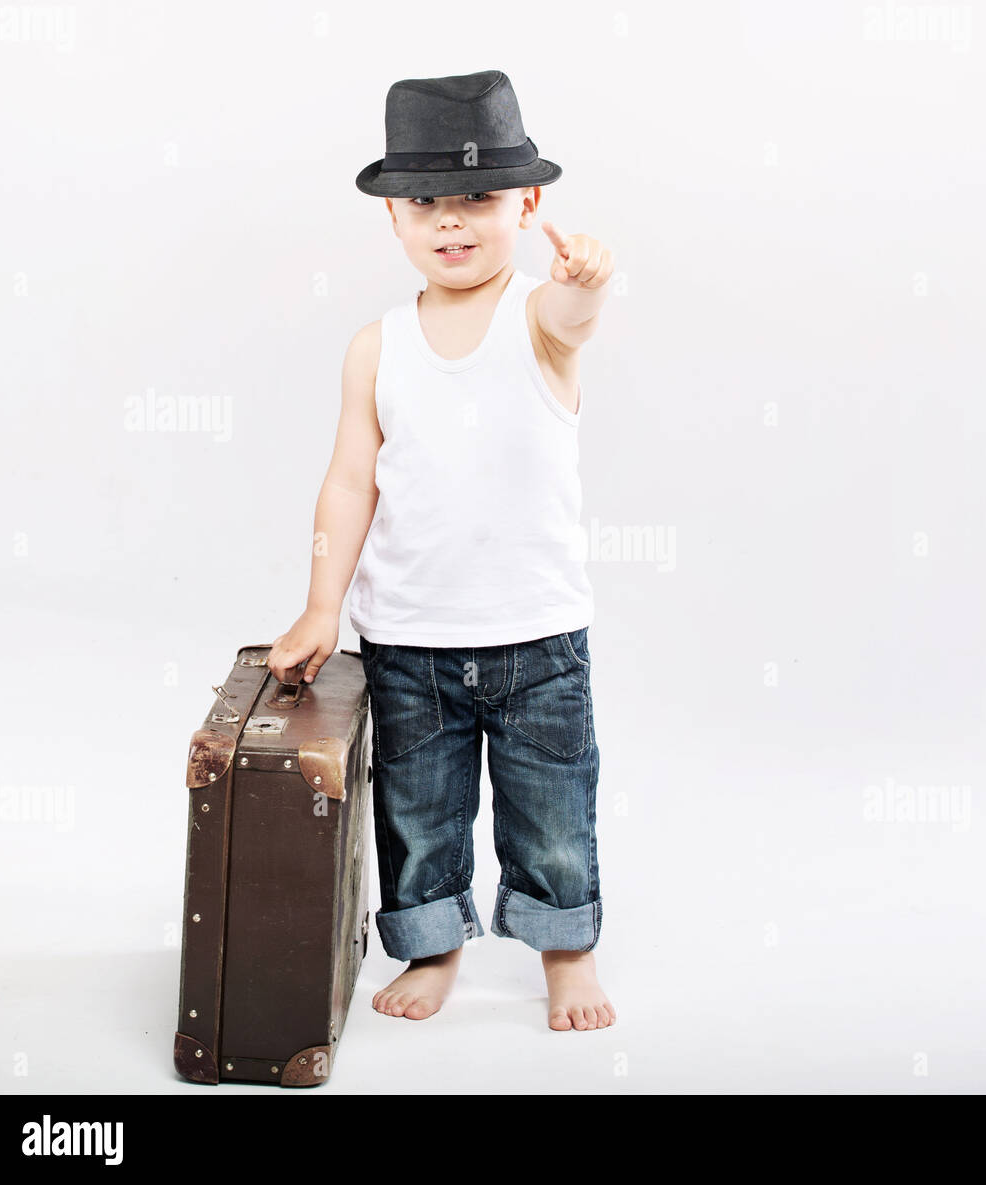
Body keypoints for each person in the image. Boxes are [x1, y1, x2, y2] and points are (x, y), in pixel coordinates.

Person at [267, 70, 616, 1032]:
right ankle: (432, 942)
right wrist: (321, 605)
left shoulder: (538, 319)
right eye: (425, 200)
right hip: (410, 637)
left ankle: (567, 948)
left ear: (527, 202)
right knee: (420, 812)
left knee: (550, 808)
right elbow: (349, 482)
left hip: (537, 635)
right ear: (393, 216)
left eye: (478, 198)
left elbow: (575, 321)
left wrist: (587, 284)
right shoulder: (375, 348)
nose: (451, 221)